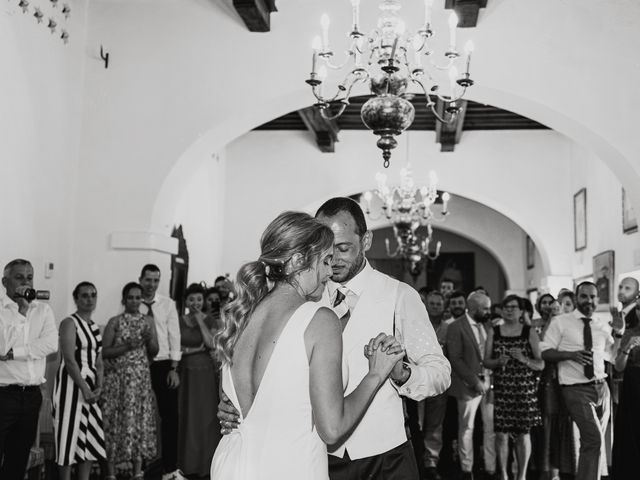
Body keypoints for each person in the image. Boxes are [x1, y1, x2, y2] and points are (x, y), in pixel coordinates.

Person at [218, 198, 450, 480]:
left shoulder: (400, 295)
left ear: (365, 241)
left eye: (342, 248)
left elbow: (439, 372)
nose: (334, 263)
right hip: (317, 456)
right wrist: (236, 406)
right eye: (328, 253)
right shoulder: (307, 296)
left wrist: (402, 373)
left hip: (384, 455)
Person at [540, 282, 624, 480]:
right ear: (577, 298)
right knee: (593, 440)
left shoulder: (602, 325)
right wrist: (570, 355)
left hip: (601, 388)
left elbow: (612, 357)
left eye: (593, 297)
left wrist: (619, 333)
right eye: (584, 296)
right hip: (574, 388)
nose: (589, 301)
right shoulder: (561, 322)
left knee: (595, 442)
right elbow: (545, 352)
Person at [0, 259, 58, 480]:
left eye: (29, 277)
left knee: (17, 460)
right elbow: (1, 346)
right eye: (19, 277)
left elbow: (51, 344)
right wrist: (22, 313)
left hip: (32, 395)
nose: (26, 282)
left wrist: (15, 353)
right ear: (5, 281)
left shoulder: (43, 310)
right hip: (3, 395)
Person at [101, 282, 159, 479]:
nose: (134, 301)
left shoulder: (148, 320)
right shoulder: (115, 321)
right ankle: (111, 472)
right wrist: (126, 346)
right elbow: (105, 351)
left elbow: (154, 351)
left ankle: (137, 471)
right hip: (118, 379)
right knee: (115, 421)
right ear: (124, 299)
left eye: (137, 297)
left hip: (140, 378)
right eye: (130, 297)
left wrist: (150, 340)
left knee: (138, 421)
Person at [484, 295, 543, 480]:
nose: (509, 309)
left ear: (521, 311)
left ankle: (522, 475)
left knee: (523, 435)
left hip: (525, 390)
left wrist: (524, 359)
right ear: (501, 310)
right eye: (506, 306)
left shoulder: (529, 332)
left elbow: (541, 364)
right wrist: (497, 362)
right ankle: (503, 474)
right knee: (501, 434)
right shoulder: (495, 331)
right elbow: (485, 361)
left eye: (513, 306)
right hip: (503, 389)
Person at [53, 282, 106, 479]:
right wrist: (84, 388)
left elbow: (99, 361)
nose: (89, 299)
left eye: (93, 295)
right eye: (84, 295)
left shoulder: (94, 326)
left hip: (90, 389)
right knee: (68, 438)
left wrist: (99, 385)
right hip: (71, 386)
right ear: (76, 299)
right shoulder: (69, 323)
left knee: (89, 438)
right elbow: (69, 359)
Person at [138, 264, 183, 480]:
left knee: (170, 417)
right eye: (148, 280)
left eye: (156, 280)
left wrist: (174, 368)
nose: (151, 284)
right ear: (141, 279)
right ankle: (139, 467)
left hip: (164, 365)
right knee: (138, 415)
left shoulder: (167, 304)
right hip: (139, 366)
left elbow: (174, 335)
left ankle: (170, 469)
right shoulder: (132, 303)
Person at [446, 292, 496, 480]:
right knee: (467, 428)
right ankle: (467, 470)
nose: (489, 312)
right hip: (468, 387)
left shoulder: (488, 325)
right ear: (474, 308)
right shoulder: (455, 327)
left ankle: (490, 468)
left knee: (490, 428)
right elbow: (456, 359)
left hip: (490, 384)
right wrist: (475, 382)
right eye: (486, 308)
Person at [178, 283, 220, 477]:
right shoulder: (178, 320)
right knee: (186, 416)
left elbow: (211, 344)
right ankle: (186, 464)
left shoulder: (210, 320)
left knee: (204, 416)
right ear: (186, 301)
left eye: (199, 299)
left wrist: (199, 319)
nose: (195, 303)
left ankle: (205, 465)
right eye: (192, 299)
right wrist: (195, 349)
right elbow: (175, 346)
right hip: (184, 372)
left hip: (204, 373)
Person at [420, 290, 449, 480]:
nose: (435, 307)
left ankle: (431, 461)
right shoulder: (418, 324)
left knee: (435, 424)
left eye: (439, 304)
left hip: (438, 383)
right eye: (432, 304)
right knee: (417, 422)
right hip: (419, 380)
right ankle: (416, 457)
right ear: (426, 305)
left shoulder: (448, 328)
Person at [612, 293, 640, 479]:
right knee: (631, 439)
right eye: (639, 308)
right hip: (632, 390)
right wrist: (627, 347)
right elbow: (618, 366)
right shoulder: (630, 331)